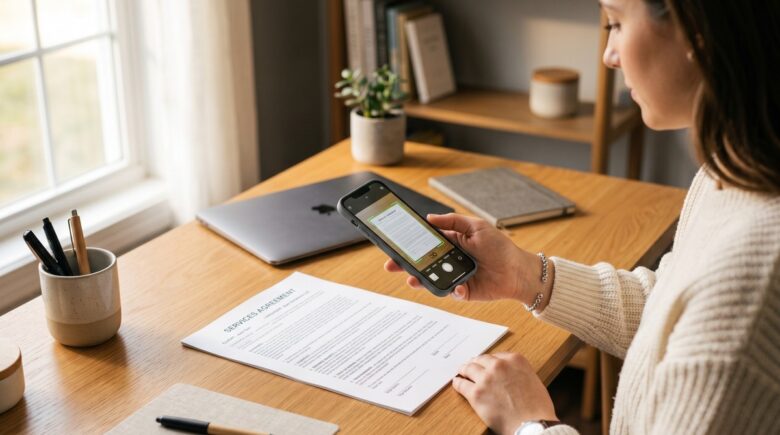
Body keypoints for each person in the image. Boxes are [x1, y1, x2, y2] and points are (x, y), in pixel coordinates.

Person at [384, 0, 780, 433]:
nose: (608, 55)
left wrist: (532, 423)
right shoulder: (733, 169)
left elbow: (713, 318)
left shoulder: (752, 283)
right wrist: (525, 275)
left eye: (616, 23)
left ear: (696, 32)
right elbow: (670, 313)